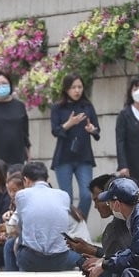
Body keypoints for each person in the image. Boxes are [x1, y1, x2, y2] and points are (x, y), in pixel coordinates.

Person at [66, 174, 134, 277]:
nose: (96, 206)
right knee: (95, 265)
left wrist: (103, 263)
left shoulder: (132, 220)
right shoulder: (122, 221)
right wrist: (93, 251)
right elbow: (126, 253)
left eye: (98, 199)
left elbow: (134, 256)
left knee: (103, 273)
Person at [12, 161, 83, 272]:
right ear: (47, 179)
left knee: (9, 245)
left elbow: (21, 227)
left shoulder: (22, 195)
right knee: (77, 256)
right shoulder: (64, 195)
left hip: (31, 260)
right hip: (61, 260)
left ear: (25, 180)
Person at [50, 74, 100, 217]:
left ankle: (80, 225)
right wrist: (69, 124)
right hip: (63, 158)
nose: (77, 90)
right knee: (67, 198)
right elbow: (55, 131)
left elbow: (97, 132)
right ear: (66, 89)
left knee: (86, 195)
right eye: (73, 87)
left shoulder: (87, 106)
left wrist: (92, 130)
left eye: (79, 87)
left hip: (84, 157)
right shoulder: (58, 107)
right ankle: (68, 229)